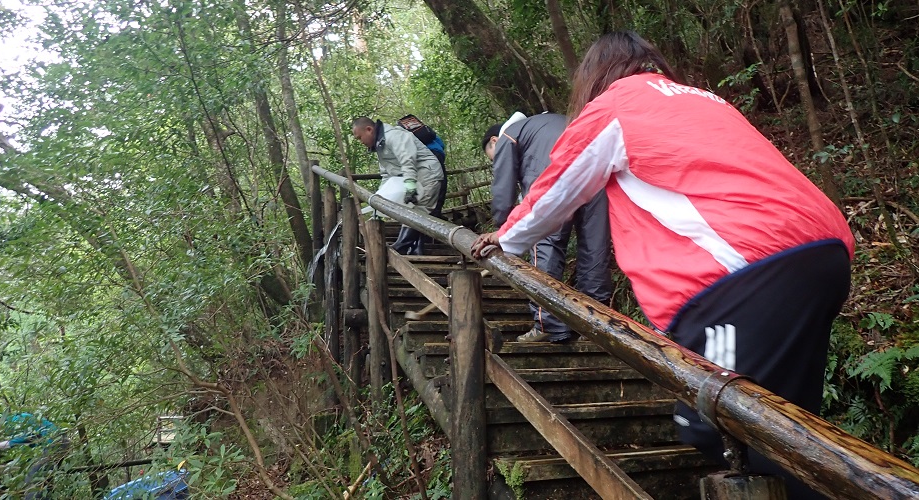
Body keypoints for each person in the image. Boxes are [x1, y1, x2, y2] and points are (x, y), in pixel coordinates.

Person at [471, 31, 853, 500]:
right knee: (788, 425)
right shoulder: (704, 99)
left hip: (746, 268)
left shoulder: (612, 109)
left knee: (717, 424)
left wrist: (503, 239)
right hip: (825, 252)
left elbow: (554, 194)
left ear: (596, 74)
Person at [482, 112, 612, 342]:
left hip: (556, 174)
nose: (495, 162)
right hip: (596, 170)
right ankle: (595, 327)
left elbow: (504, 192)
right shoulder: (545, 123)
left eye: (491, 158)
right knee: (594, 248)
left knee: (546, 244)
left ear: (494, 141)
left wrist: (502, 232)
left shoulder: (508, 136)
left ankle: (548, 323)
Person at [351, 116, 445, 256]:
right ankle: (415, 250)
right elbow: (387, 174)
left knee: (419, 211)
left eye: (360, 137)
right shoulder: (380, 146)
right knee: (413, 210)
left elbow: (408, 160)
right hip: (413, 178)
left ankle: (401, 245)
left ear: (369, 129)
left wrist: (410, 185)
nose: (361, 142)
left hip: (427, 175)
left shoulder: (394, 135)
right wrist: (380, 198)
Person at [0, 412, 66, 499]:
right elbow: (29, 443)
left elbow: (28, 436)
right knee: (45, 480)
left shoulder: (14, 421)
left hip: (53, 442)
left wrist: (3, 444)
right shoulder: (17, 420)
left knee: (34, 478)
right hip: (60, 442)